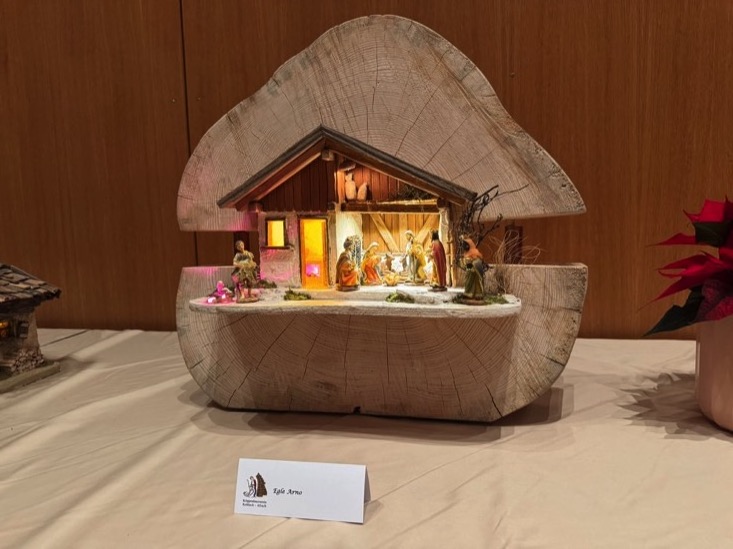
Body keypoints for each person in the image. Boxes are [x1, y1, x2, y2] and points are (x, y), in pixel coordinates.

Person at [461, 236, 485, 300]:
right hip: (472, 268)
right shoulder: (469, 252)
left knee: (472, 281)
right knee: (471, 280)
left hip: (474, 268)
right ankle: (471, 294)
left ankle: (474, 294)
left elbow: (472, 262)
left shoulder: (473, 252)